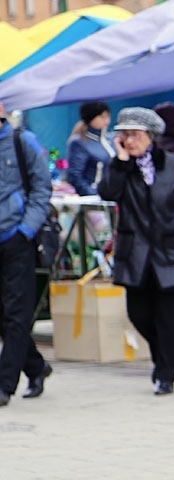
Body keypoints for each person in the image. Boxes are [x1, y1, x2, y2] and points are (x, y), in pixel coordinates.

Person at [98, 107, 174, 396]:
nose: (129, 141)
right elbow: (108, 193)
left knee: (168, 319)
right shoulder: (120, 167)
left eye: (134, 135)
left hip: (173, 252)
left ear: (150, 136)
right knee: (139, 315)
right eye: (124, 135)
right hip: (136, 255)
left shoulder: (172, 164)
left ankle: (166, 374)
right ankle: (163, 356)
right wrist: (121, 162)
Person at [0, 102, 53, 407]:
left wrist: (26, 230)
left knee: (16, 314)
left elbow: (42, 188)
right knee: (3, 316)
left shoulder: (23, 141)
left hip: (17, 238)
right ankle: (36, 366)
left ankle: (5, 385)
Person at [65, 101, 115, 196]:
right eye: (102, 117)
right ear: (90, 118)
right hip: (93, 200)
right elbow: (75, 176)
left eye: (108, 116)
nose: (107, 121)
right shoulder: (79, 142)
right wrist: (93, 194)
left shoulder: (112, 140)